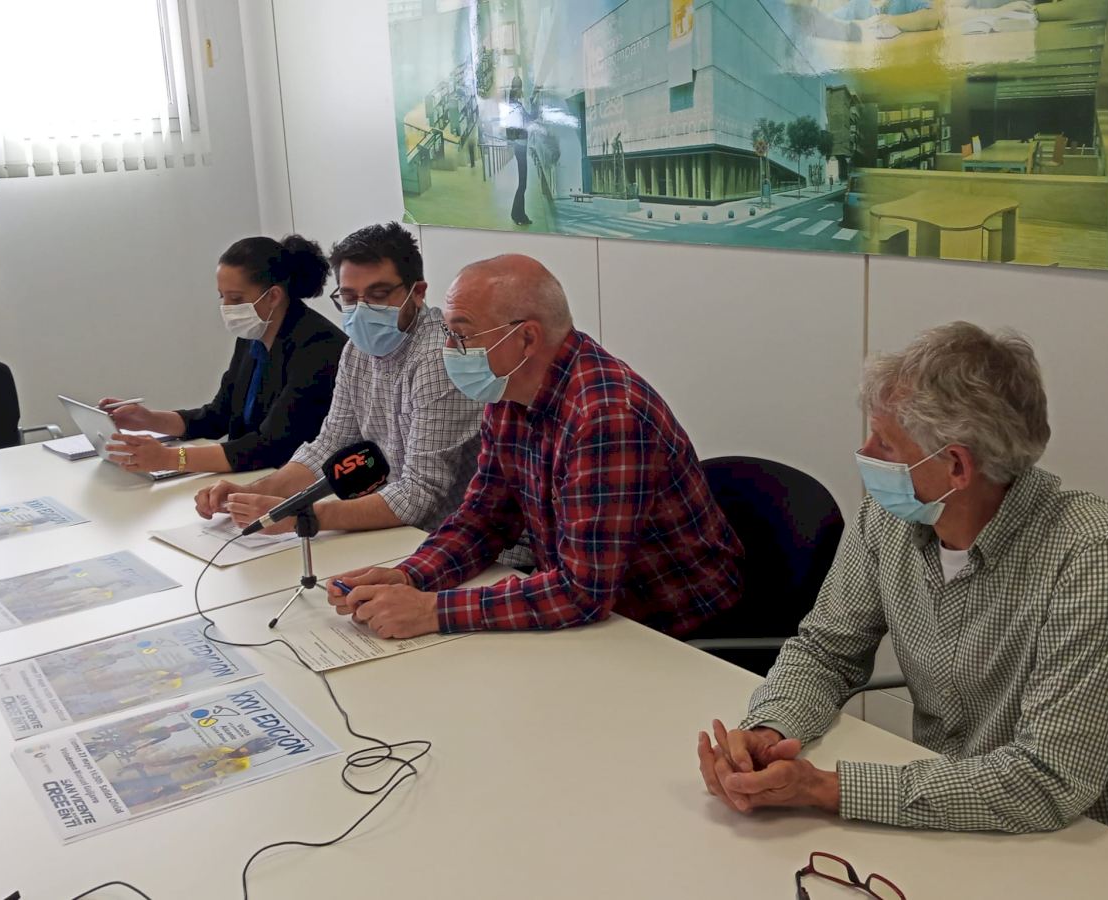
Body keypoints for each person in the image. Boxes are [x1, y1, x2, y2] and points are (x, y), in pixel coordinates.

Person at [697, 322, 1108, 839]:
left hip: (1084, 843)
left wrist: (825, 789)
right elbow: (826, 651)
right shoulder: (887, 518)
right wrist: (769, 731)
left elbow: (1048, 780)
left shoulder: (1095, 556)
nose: (866, 452)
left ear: (957, 465)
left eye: (886, 443)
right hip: (939, 816)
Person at [326, 254, 743, 641]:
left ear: (526, 338)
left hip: (671, 632)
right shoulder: (508, 391)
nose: (449, 349)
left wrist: (431, 610)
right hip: (595, 618)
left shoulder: (606, 416)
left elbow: (582, 592)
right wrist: (409, 577)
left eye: (462, 335)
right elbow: (483, 519)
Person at [194, 222, 487, 537]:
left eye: (377, 294)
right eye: (349, 297)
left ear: (417, 293)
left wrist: (301, 516)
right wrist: (250, 494)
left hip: (450, 536)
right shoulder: (357, 349)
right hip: (395, 530)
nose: (361, 310)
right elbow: (330, 445)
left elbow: (420, 492)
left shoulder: (438, 358)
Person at [101, 235, 345, 474]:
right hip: (253, 473)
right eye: (222, 296)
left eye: (236, 298)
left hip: (293, 478)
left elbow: (272, 445)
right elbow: (218, 415)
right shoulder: (252, 336)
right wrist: (148, 420)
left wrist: (170, 458)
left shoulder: (318, 345)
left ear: (273, 296)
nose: (226, 307)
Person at [504, 75, 533, 226]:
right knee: (523, 184)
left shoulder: (515, 104)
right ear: (518, 88)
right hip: (520, 147)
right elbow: (518, 125)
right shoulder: (515, 106)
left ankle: (519, 214)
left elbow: (527, 119)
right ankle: (518, 215)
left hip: (520, 146)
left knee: (523, 183)